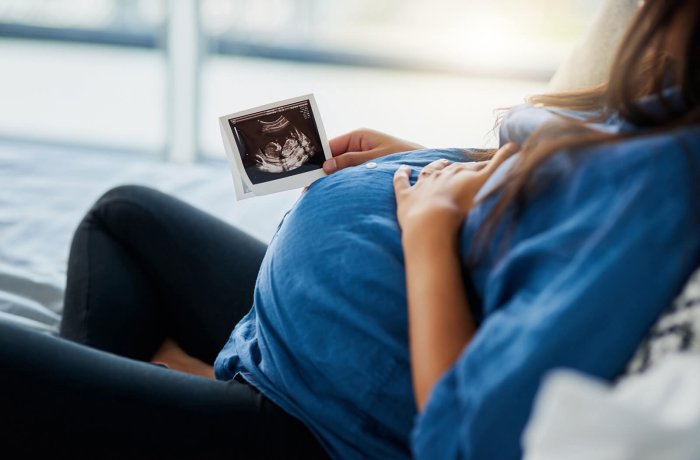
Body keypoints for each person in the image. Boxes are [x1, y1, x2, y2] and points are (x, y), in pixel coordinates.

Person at [1, 0, 699, 458]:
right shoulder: (665, 113)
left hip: (328, 420)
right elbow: (552, 201)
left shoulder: (670, 181)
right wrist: (427, 158)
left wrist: (428, 232)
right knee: (123, 219)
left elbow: (470, 439)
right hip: (321, 345)